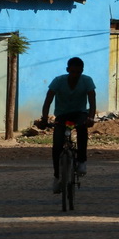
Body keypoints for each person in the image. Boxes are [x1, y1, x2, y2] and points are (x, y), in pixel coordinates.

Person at [41, 57, 96, 194]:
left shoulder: (87, 81)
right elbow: (48, 100)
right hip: (62, 115)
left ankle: (82, 161)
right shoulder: (58, 81)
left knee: (82, 129)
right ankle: (57, 176)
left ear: (82, 71)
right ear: (67, 70)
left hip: (79, 114)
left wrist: (91, 118)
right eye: (72, 72)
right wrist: (44, 118)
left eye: (78, 72)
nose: (75, 75)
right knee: (57, 145)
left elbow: (92, 101)